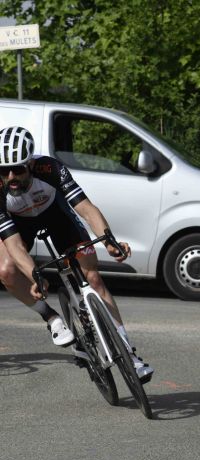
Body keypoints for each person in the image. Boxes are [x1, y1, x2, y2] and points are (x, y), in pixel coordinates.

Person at [0, 126, 153, 382]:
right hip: (19, 225)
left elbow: (87, 209)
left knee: (93, 277)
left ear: (31, 164)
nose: (11, 176)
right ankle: (51, 317)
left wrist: (110, 241)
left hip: (56, 215)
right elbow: (14, 245)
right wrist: (34, 275)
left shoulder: (50, 168)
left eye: (18, 169)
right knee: (6, 271)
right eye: (4, 171)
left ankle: (130, 355)